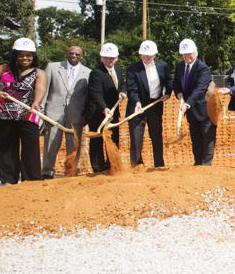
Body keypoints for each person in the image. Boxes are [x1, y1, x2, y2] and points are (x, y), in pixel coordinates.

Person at [0, 37, 48, 184]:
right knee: (7, 148)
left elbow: (41, 88)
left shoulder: (39, 73)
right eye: (21, 54)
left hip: (28, 115)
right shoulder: (2, 69)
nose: (25, 58)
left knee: (30, 149)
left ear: (33, 56)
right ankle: (8, 179)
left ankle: (31, 180)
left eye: (28, 55)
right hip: (3, 116)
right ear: (15, 55)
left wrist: (36, 102)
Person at [41, 45, 90, 178]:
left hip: (76, 115)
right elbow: (44, 90)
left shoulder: (87, 72)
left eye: (77, 54)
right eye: (71, 53)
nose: (74, 56)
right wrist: (42, 111)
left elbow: (87, 96)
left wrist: (86, 116)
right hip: (54, 113)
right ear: (66, 54)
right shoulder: (52, 67)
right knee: (51, 143)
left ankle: (71, 171)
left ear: (81, 57)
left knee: (74, 145)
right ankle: (47, 171)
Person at [125, 40, 172, 168]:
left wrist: (168, 92)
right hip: (137, 107)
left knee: (156, 136)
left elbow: (169, 81)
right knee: (136, 137)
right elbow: (132, 89)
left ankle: (159, 164)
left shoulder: (162, 66)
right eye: (144, 55)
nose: (146, 57)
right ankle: (137, 164)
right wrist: (137, 101)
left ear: (155, 54)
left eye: (149, 55)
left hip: (155, 106)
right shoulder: (132, 69)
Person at [173, 39, 215, 166]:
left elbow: (199, 89)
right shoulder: (180, 66)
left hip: (205, 109)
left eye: (189, 54)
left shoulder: (203, 69)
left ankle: (206, 165)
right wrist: (178, 92)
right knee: (195, 138)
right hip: (191, 111)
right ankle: (197, 163)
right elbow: (176, 82)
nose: (187, 57)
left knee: (207, 138)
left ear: (195, 53)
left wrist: (187, 104)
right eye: (184, 54)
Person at [86, 42, 126, 173]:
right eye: (107, 58)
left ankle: (111, 165)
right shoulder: (96, 73)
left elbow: (121, 85)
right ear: (101, 58)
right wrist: (104, 108)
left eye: (112, 58)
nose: (110, 60)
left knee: (113, 138)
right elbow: (95, 93)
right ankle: (98, 168)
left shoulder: (118, 69)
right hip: (98, 112)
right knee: (97, 140)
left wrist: (122, 91)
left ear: (117, 57)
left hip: (113, 112)